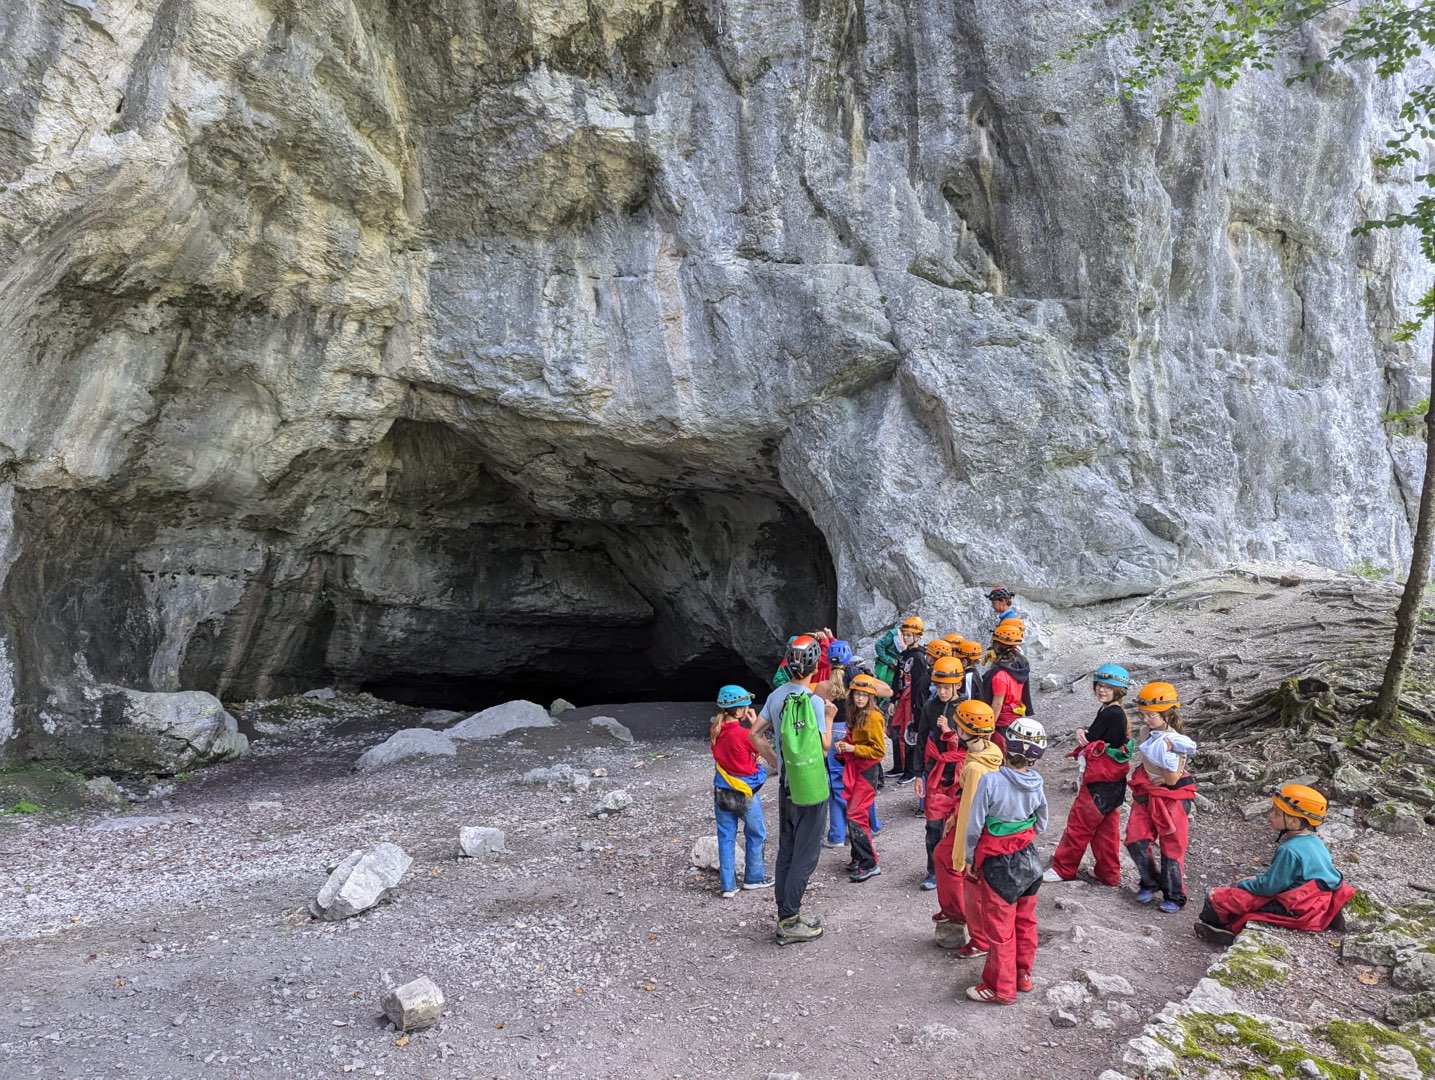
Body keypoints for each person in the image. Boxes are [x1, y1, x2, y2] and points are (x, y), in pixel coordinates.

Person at [1195, 785, 1355, 946]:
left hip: (1298, 907)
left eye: (1277, 813)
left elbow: (1269, 888)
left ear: (1294, 821)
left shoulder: (1289, 850)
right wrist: (1257, 878)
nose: (1270, 815)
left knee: (1219, 897)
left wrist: (1244, 883)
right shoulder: (1314, 841)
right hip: (1315, 902)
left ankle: (1222, 927)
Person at [755, 635, 836, 945]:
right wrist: (829, 717)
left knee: (787, 850)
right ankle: (790, 920)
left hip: (787, 785)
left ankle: (785, 914)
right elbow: (825, 747)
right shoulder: (813, 702)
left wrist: (776, 760)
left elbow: (755, 733)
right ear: (815, 667)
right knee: (806, 854)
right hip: (811, 787)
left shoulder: (776, 697)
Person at [963, 717, 1049, 1006]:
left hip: (998, 861)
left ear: (1006, 745)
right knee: (1026, 920)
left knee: (1000, 928)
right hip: (1029, 860)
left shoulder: (991, 781)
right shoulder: (1037, 782)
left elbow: (974, 825)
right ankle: (1022, 974)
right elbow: (1042, 823)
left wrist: (970, 857)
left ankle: (1000, 987)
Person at [1045, 664, 1135, 886]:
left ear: (1119, 690)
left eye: (1108, 687)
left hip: (1098, 784)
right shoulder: (1114, 711)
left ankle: (1063, 868)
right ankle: (1109, 874)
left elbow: (1090, 740)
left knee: (1079, 826)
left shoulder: (1112, 714)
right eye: (1099, 685)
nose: (1102, 690)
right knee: (1106, 831)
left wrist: (1080, 732)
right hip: (1114, 785)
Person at [931, 700, 1004, 956]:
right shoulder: (991, 750)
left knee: (952, 863)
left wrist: (964, 851)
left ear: (963, 730)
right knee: (946, 858)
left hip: (973, 825)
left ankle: (965, 922)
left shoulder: (974, 768)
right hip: (977, 819)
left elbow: (972, 806)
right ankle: (957, 913)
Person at [1125, 681, 1198, 914]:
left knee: (1172, 848)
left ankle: (1174, 895)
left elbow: (1172, 779)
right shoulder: (1146, 732)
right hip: (1146, 793)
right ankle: (1150, 881)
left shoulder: (1175, 743)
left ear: (1166, 713)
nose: (1146, 719)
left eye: (1151, 715)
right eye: (1144, 714)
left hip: (1171, 797)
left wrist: (1166, 756)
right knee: (1135, 840)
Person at [819, 644, 889, 848]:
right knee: (861, 782)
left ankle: (837, 835)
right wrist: (865, 675)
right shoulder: (857, 680)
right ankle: (871, 824)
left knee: (836, 784)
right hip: (854, 729)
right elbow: (888, 690)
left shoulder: (822, 686)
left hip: (832, 730)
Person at [710, 685, 775, 898]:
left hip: (722, 790)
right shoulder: (744, 734)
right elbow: (763, 747)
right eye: (746, 706)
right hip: (743, 792)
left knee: (726, 837)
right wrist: (755, 724)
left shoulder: (715, 730)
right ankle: (754, 878)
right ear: (739, 711)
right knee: (756, 834)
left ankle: (728, 886)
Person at [916, 655, 966, 891]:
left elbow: (974, 743)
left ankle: (957, 866)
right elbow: (921, 740)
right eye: (939, 687)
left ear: (958, 684)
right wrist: (918, 774)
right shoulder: (930, 706)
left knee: (958, 824)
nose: (942, 691)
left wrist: (949, 731)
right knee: (933, 825)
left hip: (959, 775)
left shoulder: (967, 709)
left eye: (947, 687)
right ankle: (934, 870)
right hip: (936, 772)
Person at [835, 674, 888, 882]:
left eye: (864, 695)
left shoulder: (873, 717)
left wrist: (853, 748)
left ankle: (870, 863)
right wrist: (844, 744)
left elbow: (878, 751)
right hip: (857, 767)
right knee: (853, 811)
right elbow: (856, 739)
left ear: (870, 697)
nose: (859, 698)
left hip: (867, 771)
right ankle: (858, 856)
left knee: (856, 814)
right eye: (857, 694)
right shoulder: (856, 713)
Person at [981, 619, 1033, 752]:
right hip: (1016, 718)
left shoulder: (1000, 675)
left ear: (998, 645)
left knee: (1000, 754)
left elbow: (997, 704)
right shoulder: (1021, 665)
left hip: (1002, 723)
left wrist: (989, 728)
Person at [891, 616, 931, 783]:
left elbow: (918, 687)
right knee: (895, 730)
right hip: (902, 699)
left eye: (909, 635)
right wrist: (892, 699)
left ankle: (911, 770)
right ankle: (899, 766)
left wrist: (916, 708)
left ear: (917, 636)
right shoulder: (904, 654)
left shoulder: (919, 658)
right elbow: (897, 677)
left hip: (911, 701)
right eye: (904, 634)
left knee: (909, 734)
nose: (905, 638)